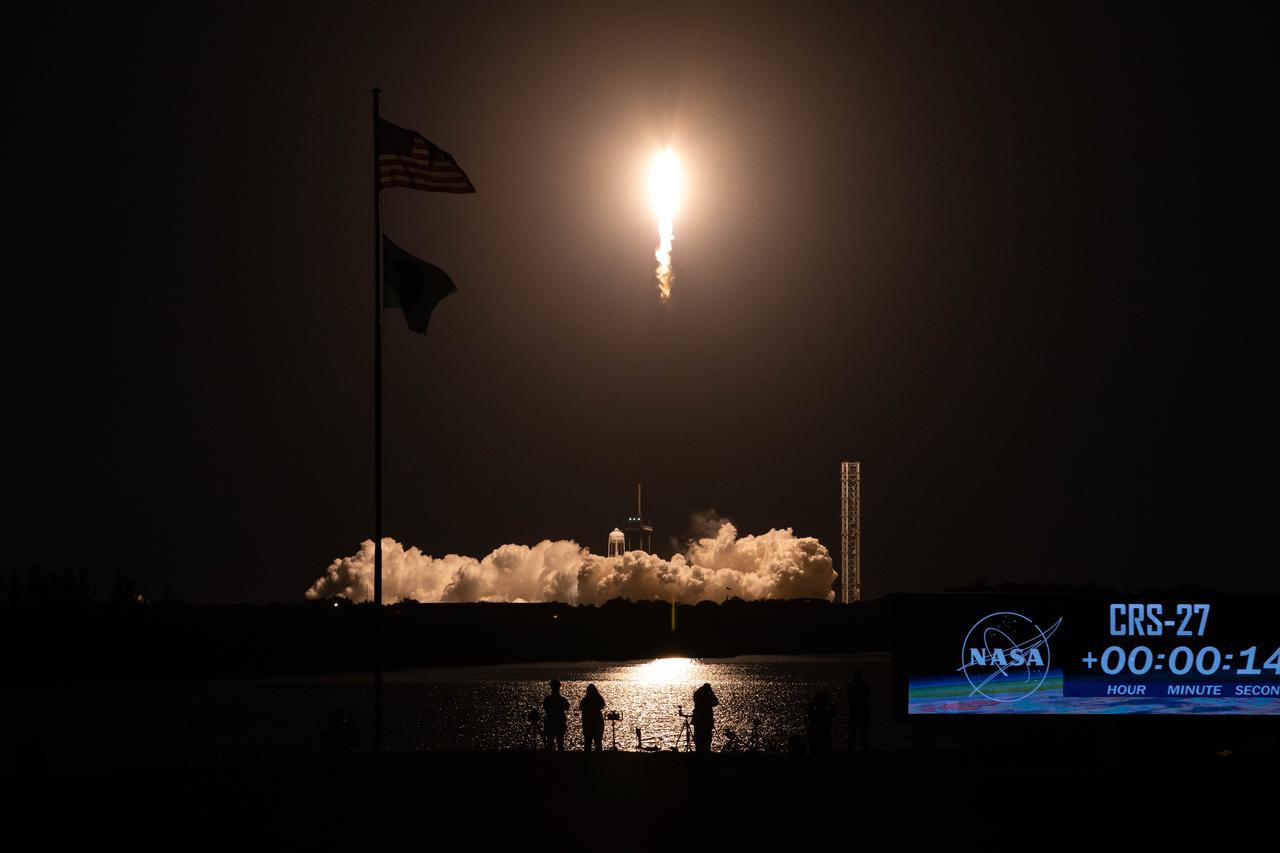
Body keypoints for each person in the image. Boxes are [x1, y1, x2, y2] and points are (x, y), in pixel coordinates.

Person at [542, 679, 570, 751]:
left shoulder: (547, 699)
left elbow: (545, 708)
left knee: (550, 743)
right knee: (560, 744)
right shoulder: (562, 699)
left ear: (551, 687)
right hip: (559, 722)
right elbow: (567, 707)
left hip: (550, 722)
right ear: (559, 687)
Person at [692, 682, 719, 753]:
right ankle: (706, 752)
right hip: (706, 720)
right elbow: (716, 702)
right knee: (707, 737)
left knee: (698, 737)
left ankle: (699, 751)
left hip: (698, 720)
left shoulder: (697, 694)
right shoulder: (707, 696)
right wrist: (712, 694)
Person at [848, 668, 870, 752]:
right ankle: (865, 748)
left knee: (853, 730)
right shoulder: (865, 685)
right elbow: (867, 696)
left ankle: (850, 748)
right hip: (863, 709)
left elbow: (849, 696)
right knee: (864, 731)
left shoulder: (850, 685)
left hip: (854, 709)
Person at [580, 684, 606, 752]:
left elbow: (581, 707)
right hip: (597, 723)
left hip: (588, 723)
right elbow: (603, 705)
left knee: (588, 743)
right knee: (597, 743)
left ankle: (588, 757)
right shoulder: (598, 699)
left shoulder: (585, 700)